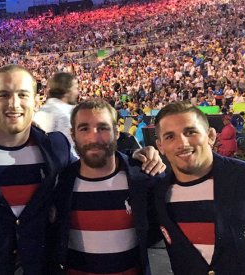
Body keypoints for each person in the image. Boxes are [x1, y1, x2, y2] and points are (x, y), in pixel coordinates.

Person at [0, 65, 165, 274]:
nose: (14, 103)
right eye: (4, 95)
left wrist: (134, 158)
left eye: (23, 95)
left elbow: (93, 160)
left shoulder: (56, 148)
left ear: (36, 102)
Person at [153, 101, 245, 274]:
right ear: (160, 146)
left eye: (190, 132)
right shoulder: (157, 191)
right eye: (169, 136)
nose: (182, 143)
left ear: (211, 136)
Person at [50, 99, 162, 274]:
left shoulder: (141, 177)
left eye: (102, 128)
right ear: (73, 135)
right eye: (84, 128)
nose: (94, 137)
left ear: (116, 132)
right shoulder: (61, 182)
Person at [33, 72, 79, 156]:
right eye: (75, 88)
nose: (77, 92)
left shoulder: (43, 111)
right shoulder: (56, 114)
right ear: (67, 91)